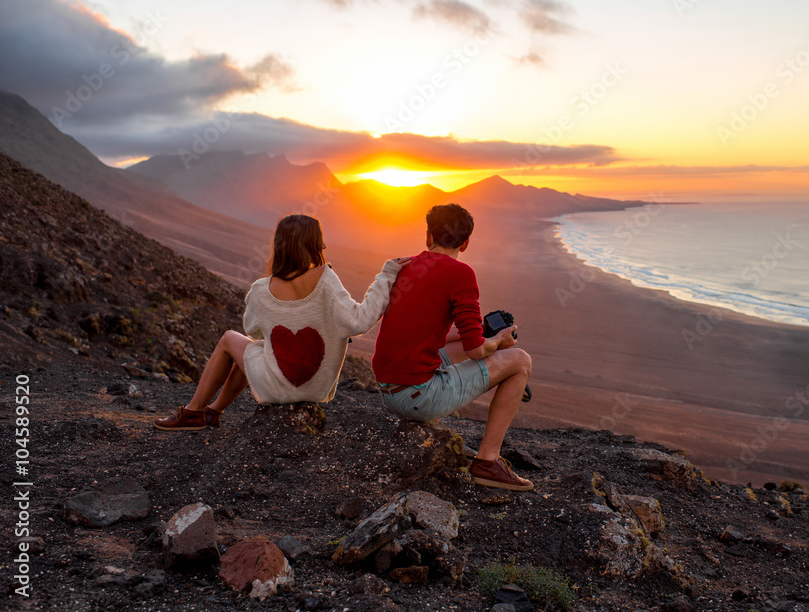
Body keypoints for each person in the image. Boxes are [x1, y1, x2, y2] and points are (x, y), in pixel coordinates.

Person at [154, 214, 409, 430]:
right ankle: (212, 411)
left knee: (231, 340)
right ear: (314, 245)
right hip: (315, 388)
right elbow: (360, 322)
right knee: (254, 351)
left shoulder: (261, 289)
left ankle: (194, 411)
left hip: (274, 389)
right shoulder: (325, 278)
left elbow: (251, 329)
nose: (324, 247)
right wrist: (386, 276)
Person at [372, 204, 534, 491]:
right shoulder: (460, 273)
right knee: (520, 360)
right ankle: (488, 462)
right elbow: (475, 351)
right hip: (417, 398)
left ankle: (490, 450)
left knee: (469, 339)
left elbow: (427, 335)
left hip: (389, 389)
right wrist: (500, 341)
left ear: (427, 236)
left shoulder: (407, 267)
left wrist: (476, 336)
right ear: (466, 243)